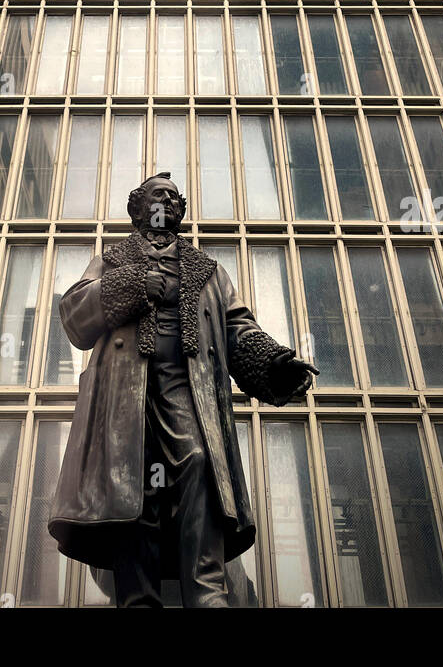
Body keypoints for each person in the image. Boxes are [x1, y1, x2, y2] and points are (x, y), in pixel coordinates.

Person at [48, 172, 318, 607]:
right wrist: (134, 284)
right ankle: (138, 597)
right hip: (126, 396)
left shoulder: (208, 271)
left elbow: (238, 328)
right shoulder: (112, 260)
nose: (167, 203)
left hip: (185, 388)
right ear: (138, 208)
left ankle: (206, 590)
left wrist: (273, 363)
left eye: (174, 198)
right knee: (134, 486)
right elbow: (74, 315)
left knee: (197, 462)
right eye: (159, 196)